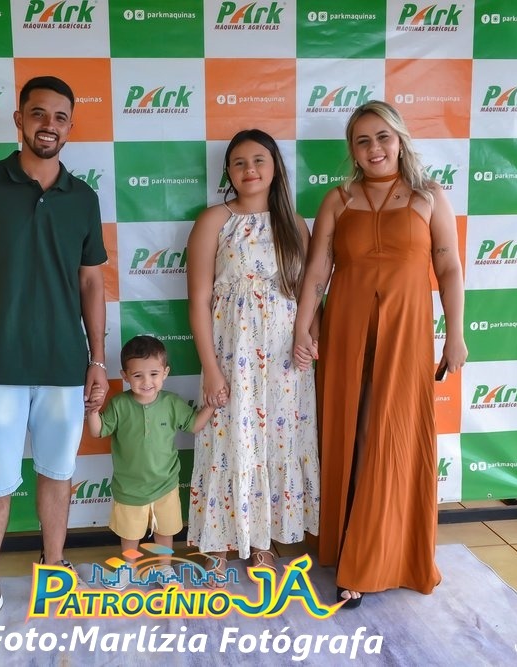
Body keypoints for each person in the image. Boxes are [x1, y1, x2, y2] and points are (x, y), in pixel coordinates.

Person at [0, 76, 107, 644]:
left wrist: (98, 359)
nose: (48, 125)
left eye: (59, 117)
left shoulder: (83, 198)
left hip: (63, 362)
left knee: (58, 473)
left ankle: (54, 571)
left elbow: (91, 283)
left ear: (70, 126)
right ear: (18, 119)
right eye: (38, 114)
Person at [292, 100, 467, 609]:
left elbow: (449, 268)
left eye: (383, 137)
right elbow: (318, 269)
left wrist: (455, 334)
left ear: (400, 139)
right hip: (345, 329)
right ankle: (349, 542)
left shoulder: (429, 196)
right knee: (347, 433)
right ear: (352, 150)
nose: (374, 149)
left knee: (387, 435)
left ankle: (370, 560)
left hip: (406, 331)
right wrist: (303, 326)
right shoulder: (338, 199)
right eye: (362, 140)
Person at [186, 128, 320, 584]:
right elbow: (198, 300)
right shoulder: (214, 221)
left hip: (285, 360)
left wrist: (311, 339)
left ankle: (263, 541)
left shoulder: (295, 224)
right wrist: (210, 368)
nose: (250, 170)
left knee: (276, 443)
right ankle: (218, 542)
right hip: (232, 356)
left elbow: (309, 294)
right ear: (228, 171)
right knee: (228, 442)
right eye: (239, 162)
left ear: (275, 167)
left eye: (259, 160)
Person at [86, 335, 216, 589]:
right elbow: (97, 431)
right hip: (129, 488)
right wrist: (92, 411)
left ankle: (164, 568)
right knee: (130, 534)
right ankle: (128, 568)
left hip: (165, 485)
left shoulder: (171, 402)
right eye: (138, 376)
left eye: (154, 374)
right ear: (125, 376)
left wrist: (210, 406)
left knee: (165, 530)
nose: (147, 382)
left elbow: (194, 425)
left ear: (165, 373)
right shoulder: (119, 404)